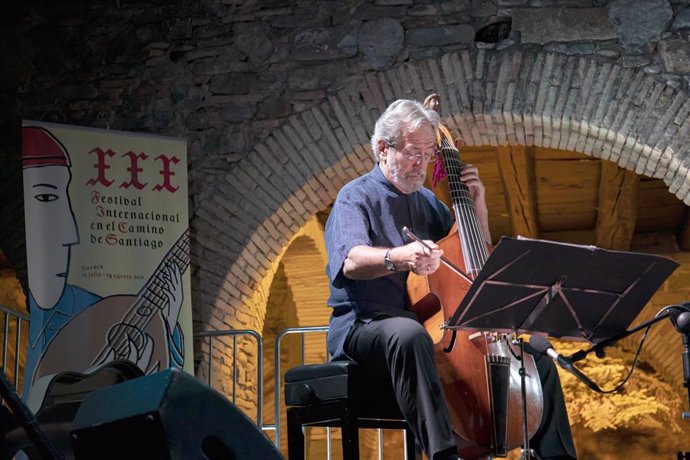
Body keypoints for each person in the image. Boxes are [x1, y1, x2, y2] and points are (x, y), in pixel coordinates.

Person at [324, 99, 577, 459]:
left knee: (538, 361)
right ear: (383, 148)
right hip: (366, 325)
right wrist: (399, 258)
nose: (422, 165)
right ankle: (444, 455)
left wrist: (477, 209)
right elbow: (351, 261)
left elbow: (474, 261)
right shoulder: (355, 196)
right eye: (414, 153)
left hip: (432, 329)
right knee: (409, 335)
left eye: (429, 155)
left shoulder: (429, 203)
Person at [21, 126, 185, 396]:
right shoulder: (85, 316)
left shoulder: (100, 308)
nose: (71, 235)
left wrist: (166, 324)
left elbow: (167, 379)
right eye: (47, 198)